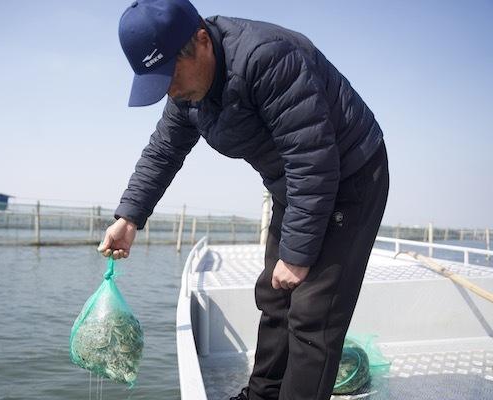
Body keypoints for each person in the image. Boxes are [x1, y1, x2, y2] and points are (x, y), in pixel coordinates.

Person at [97, 0, 389, 399]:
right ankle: (262, 394)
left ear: (201, 40)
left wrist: (298, 255)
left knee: (312, 316)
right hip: (295, 183)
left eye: (170, 74)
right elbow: (164, 151)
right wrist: (129, 218)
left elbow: (312, 156)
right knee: (275, 295)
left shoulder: (266, 58)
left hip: (350, 176)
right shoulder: (187, 94)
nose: (169, 90)